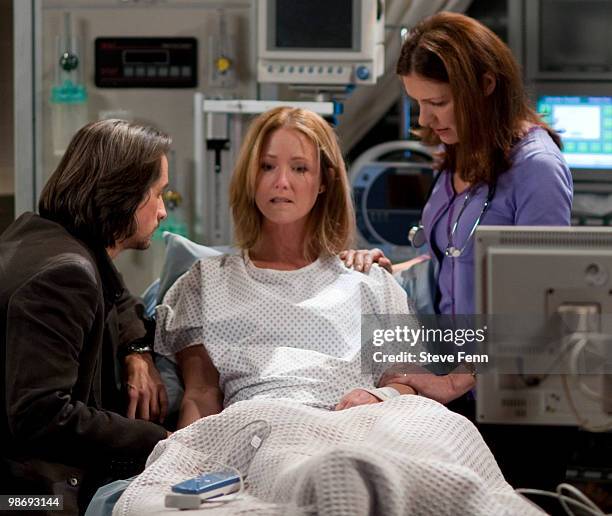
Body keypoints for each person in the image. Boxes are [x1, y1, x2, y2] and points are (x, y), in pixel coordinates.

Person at [155, 106, 474, 430]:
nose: (281, 182)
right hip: (258, 432)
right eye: (267, 167)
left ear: (325, 180)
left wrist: (381, 397)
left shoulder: (370, 282)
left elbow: (407, 384)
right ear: (250, 177)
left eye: (299, 168)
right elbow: (201, 396)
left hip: (360, 430)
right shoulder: (206, 283)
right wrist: (189, 464)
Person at [342, 11, 573, 316]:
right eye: (418, 103)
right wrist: (389, 272)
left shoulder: (537, 168)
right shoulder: (458, 150)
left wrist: (473, 365)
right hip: (445, 349)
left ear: (486, 85)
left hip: (494, 360)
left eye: (437, 103)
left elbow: (542, 298)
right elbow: (450, 262)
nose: (425, 118)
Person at [0, 119, 171, 513]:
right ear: (124, 193)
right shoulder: (64, 276)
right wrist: (160, 438)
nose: (162, 211)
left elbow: (118, 295)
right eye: (158, 194)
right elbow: (42, 416)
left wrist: (137, 351)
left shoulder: (43, 236)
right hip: (24, 496)